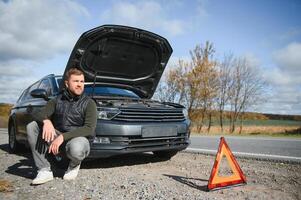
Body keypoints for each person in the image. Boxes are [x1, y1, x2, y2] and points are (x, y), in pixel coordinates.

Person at [26, 67, 97, 185]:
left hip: (77, 140)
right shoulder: (56, 100)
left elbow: (89, 128)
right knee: (32, 126)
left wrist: (63, 137)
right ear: (67, 83)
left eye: (81, 81)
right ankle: (44, 170)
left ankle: (74, 164)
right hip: (57, 139)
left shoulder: (89, 103)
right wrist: (46, 121)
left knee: (76, 148)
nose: (80, 85)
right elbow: (40, 114)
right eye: (76, 81)